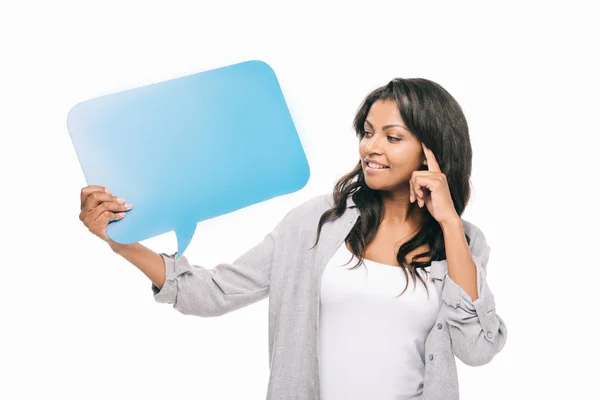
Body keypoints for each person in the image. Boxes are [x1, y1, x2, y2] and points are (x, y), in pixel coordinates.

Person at [79, 78, 507, 400]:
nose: (371, 147)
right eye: (368, 131)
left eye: (393, 137)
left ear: (432, 151)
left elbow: (476, 348)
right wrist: (122, 242)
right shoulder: (317, 223)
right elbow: (214, 292)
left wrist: (449, 223)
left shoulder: (463, 243)